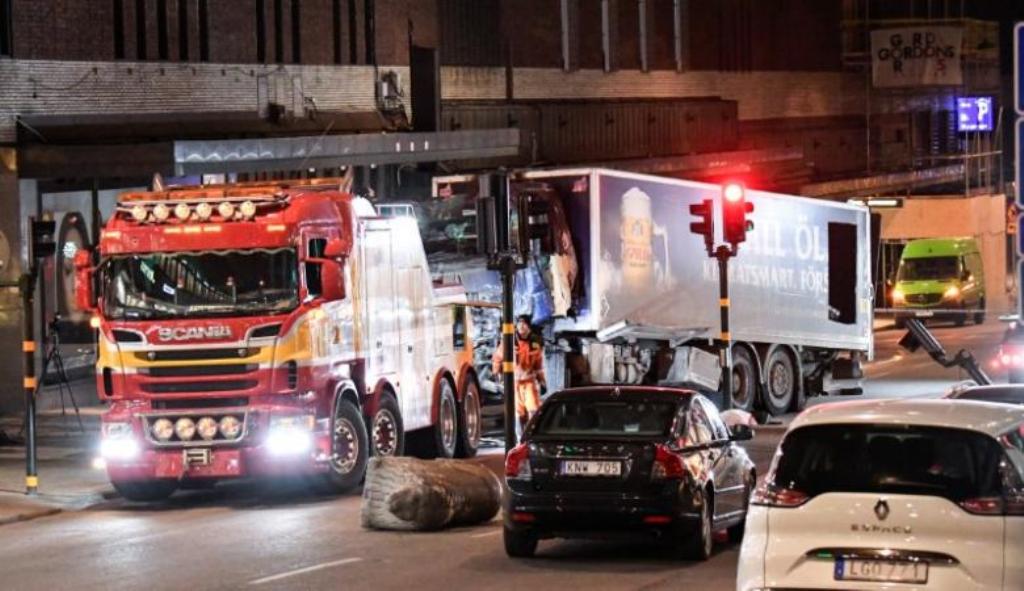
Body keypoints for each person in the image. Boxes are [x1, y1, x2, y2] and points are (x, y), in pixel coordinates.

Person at [492, 315, 546, 432]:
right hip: (513, 383)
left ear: (529, 327)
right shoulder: (509, 342)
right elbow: (497, 358)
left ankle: (531, 435)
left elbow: (538, 366)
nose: (521, 326)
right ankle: (519, 437)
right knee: (517, 413)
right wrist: (497, 375)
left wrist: (542, 382)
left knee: (533, 410)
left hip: (529, 382)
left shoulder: (535, 343)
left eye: (524, 324)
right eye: (519, 324)